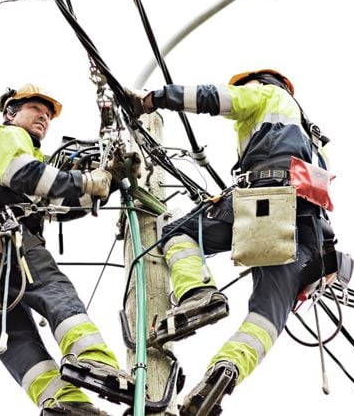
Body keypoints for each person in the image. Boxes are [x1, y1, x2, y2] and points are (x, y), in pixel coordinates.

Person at [127, 69, 341, 415]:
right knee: (265, 317)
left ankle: (197, 296)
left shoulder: (269, 96)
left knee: (177, 233)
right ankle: (225, 371)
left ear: (260, 83)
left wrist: (154, 99)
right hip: (311, 238)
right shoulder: (313, 140)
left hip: (266, 200)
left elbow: (218, 99)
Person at [0, 83, 132, 416]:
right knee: (54, 290)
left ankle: (65, 405)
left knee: (15, 338)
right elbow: (25, 175)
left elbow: (58, 202)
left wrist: (109, 182)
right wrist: (91, 180)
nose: (43, 118)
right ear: (11, 113)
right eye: (35, 110)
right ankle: (94, 361)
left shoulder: (2, 159)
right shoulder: (8, 136)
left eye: (47, 115)